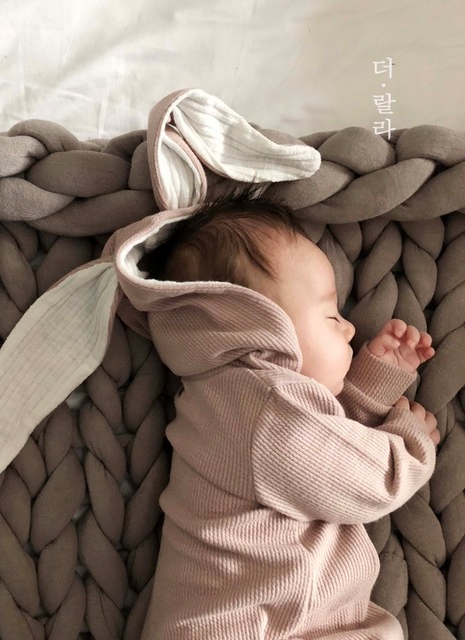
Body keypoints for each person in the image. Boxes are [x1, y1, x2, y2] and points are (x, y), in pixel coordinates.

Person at [132, 186, 439, 639]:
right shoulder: (263, 408)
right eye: (331, 317)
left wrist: (370, 387)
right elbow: (366, 480)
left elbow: (318, 449)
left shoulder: (236, 399)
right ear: (260, 328)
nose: (349, 328)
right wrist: (410, 443)